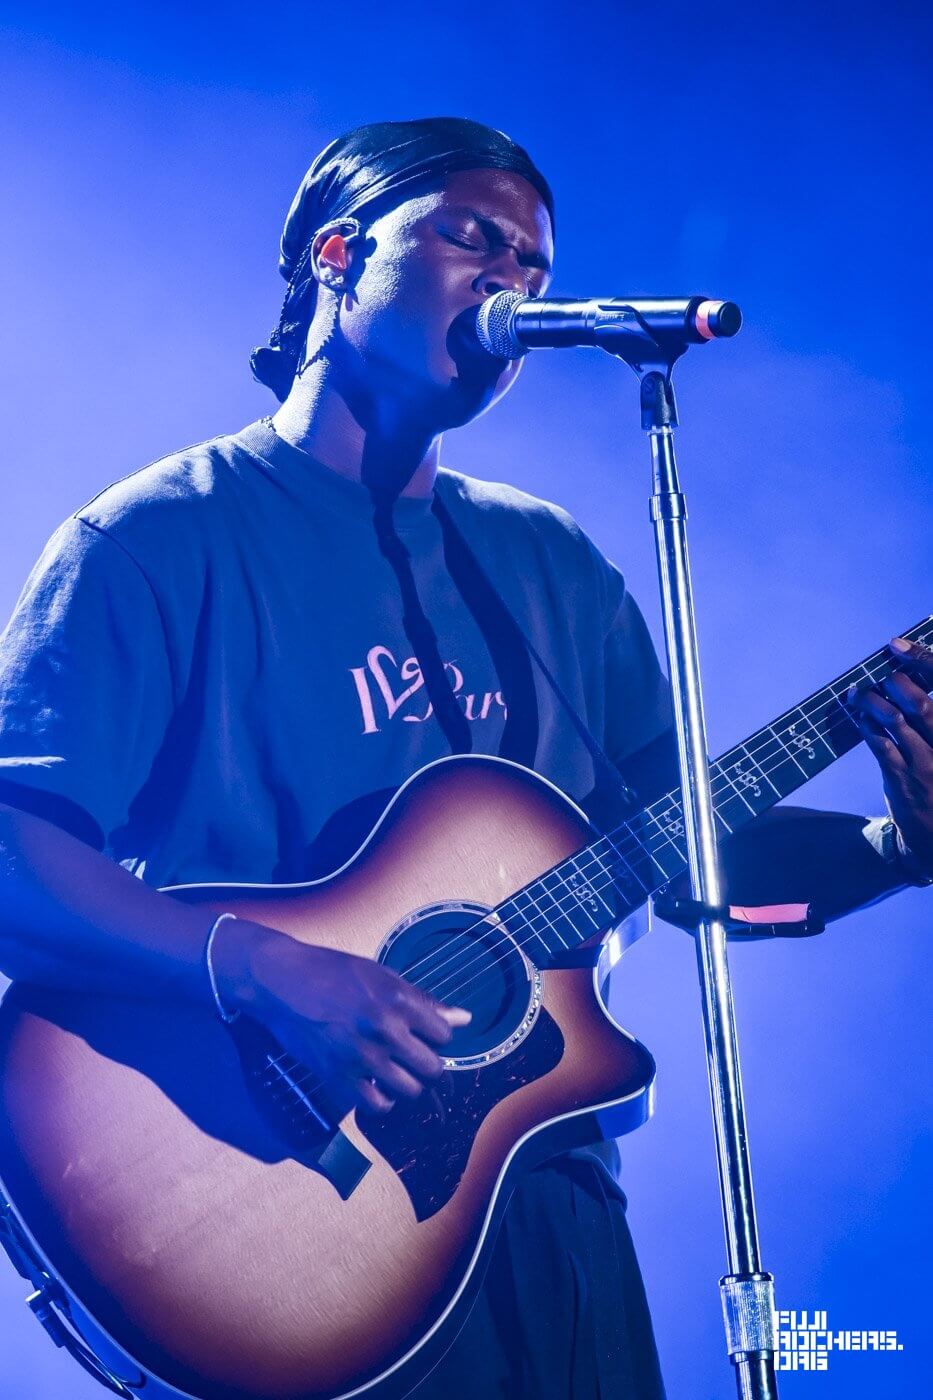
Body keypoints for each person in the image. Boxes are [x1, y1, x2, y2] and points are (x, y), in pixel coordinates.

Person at [0, 117, 930, 1399]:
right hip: (278, 1207)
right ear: (336, 252)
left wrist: (898, 850)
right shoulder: (156, 538)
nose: (512, 284)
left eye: (536, 271)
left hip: (546, 1218)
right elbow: (14, 861)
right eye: (473, 239)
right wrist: (267, 969)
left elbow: (697, 875)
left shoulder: (550, 565)